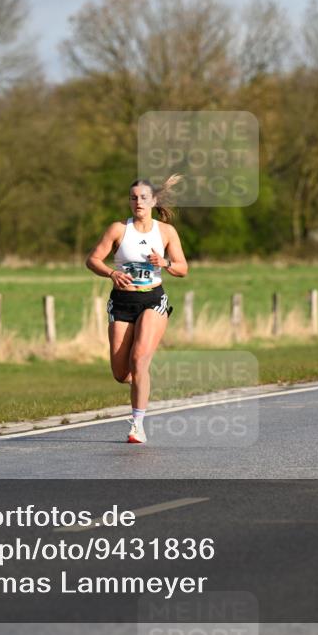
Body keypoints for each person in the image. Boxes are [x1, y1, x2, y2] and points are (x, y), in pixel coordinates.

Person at [85, 175, 188, 443]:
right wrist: (111, 273)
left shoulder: (166, 232)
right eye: (133, 198)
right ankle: (141, 382)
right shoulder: (118, 229)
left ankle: (137, 426)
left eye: (143, 197)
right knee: (122, 373)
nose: (138, 202)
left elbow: (182, 269)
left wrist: (164, 263)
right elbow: (93, 260)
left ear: (153, 201)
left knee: (140, 358)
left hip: (153, 299)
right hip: (122, 302)